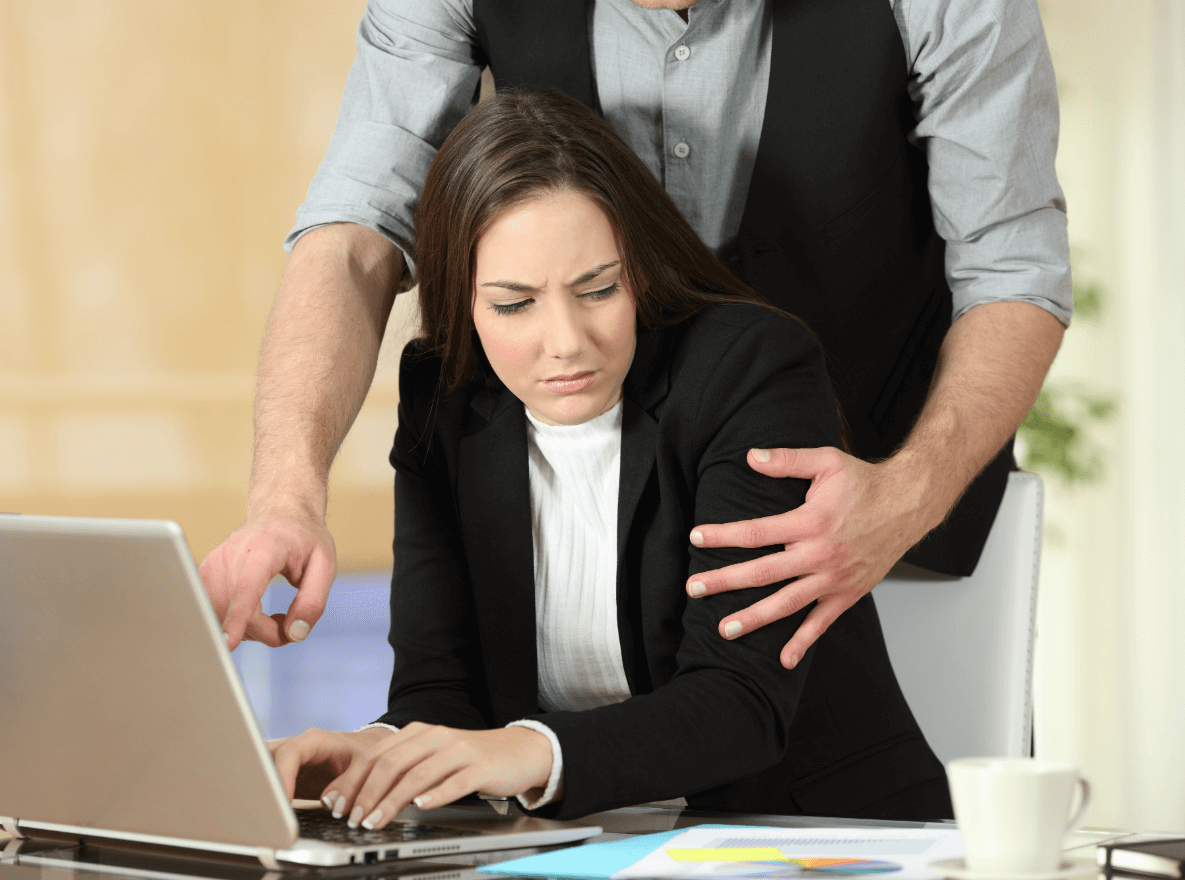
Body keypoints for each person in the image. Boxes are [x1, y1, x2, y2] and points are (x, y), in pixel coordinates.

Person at [200, 0, 1069, 670]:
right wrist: (286, 497)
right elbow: (354, 237)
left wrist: (906, 496)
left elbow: (1011, 269)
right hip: (582, 533)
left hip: (868, 512)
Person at [266, 89, 950, 828]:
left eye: (597, 289)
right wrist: (379, 752)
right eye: (513, 304)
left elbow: (739, 702)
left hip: (817, 832)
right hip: (581, 840)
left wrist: (529, 751)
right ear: (462, 299)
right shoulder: (443, 394)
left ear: (638, 267)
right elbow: (440, 689)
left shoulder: (750, 371)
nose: (565, 341)